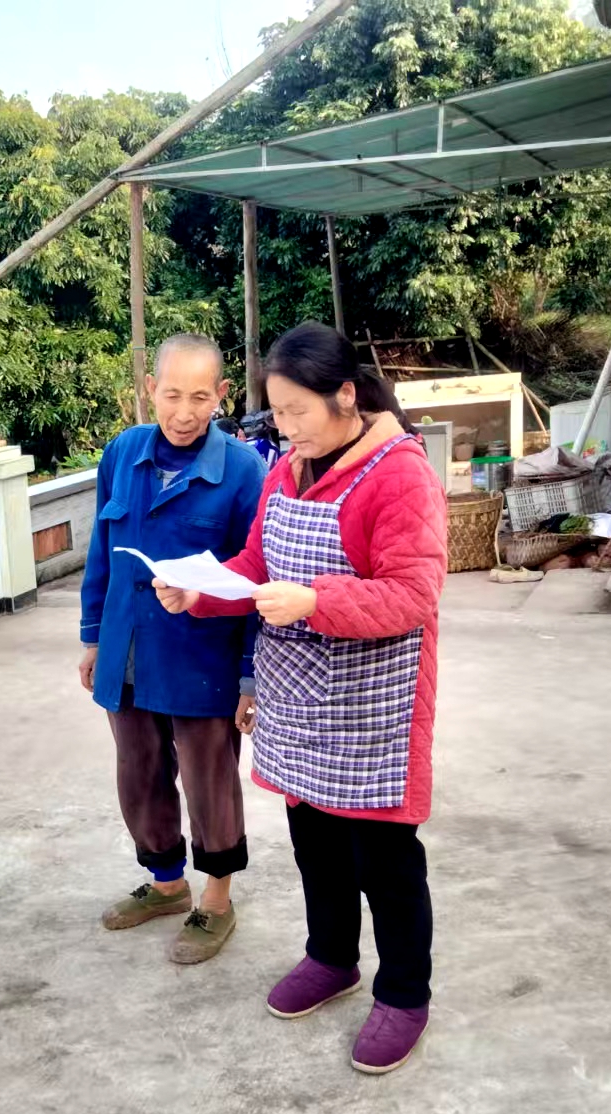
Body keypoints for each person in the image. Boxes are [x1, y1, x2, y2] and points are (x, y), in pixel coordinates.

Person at [154, 321, 447, 1073]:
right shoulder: (288, 468)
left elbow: (412, 594)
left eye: (297, 412)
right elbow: (257, 562)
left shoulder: (399, 474)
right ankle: (331, 958)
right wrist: (201, 590)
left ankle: (404, 993)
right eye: (277, 413)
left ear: (345, 396)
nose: (285, 429)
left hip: (373, 707)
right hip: (300, 700)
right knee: (315, 843)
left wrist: (315, 601)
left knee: (384, 862)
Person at [79, 333, 266, 964]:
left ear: (222, 395)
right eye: (172, 395)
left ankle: (216, 898)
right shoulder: (122, 453)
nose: (185, 412)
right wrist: (92, 638)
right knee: (139, 772)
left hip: (201, 660)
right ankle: (165, 883)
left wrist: (249, 677)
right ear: (149, 389)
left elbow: (256, 576)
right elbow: (101, 553)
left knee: (208, 779)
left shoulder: (242, 471)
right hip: (126, 647)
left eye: (200, 398)